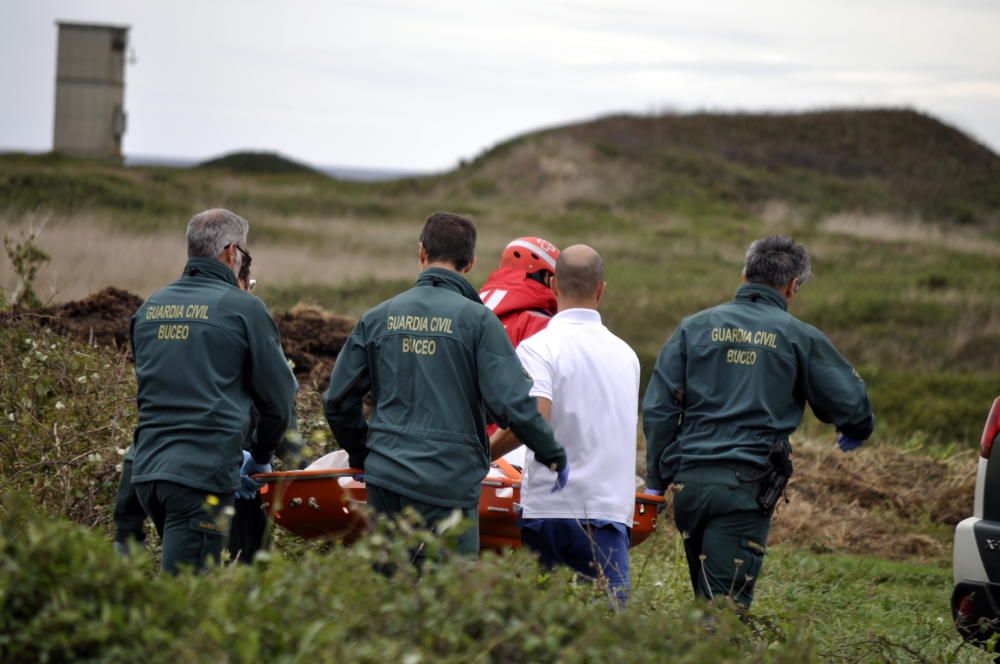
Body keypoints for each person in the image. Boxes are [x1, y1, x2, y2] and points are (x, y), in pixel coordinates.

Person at [642, 235, 875, 608]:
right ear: (792, 286)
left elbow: (659, 410)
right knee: (723, 616)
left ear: (745, 274)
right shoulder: (799, 337)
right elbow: (852, 404)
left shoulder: (693, 328)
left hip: (688, 487)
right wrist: (854, 428)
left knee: (707, 603)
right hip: (743, 487)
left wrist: (656, 482)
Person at [323, 211, 569, 558]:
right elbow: (516, 407)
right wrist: (553, 455)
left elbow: (336, 400)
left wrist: (365, 453)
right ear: (470, 263)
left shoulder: (378, 317)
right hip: (450, 487)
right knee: (447, 598)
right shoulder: (480, 322)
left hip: (386, 482)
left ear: (421, 251)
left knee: (391, 590)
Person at [129, 208, 298, 574]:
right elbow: (279, 399)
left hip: (148, 475)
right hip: (200, 479)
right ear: (231, 252)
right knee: (188, 599)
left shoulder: (150, 308)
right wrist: (263, 453)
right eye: (245, 256)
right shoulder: (244, 309)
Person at [490, 245, 640, 605]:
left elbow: (533, 418)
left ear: (554, 285)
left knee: (546, 625)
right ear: (601, 289)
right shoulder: (628, 355)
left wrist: (484, 453)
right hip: (608, 514)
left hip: (550, 512)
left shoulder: (539, 347)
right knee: (608, 630)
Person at [479, 236, 561, 467]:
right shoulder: (545, 325)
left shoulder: (467, 309)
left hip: (451, 447)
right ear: (547, 278)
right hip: (506, 454)